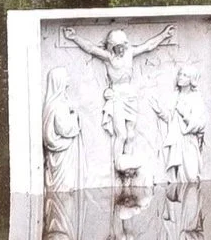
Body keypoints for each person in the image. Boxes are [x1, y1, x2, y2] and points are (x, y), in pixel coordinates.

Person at [61, 24, 175, 182]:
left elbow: (148, 46)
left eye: (123, 46)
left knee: (131, 134)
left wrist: (164, 35)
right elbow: (91, 48)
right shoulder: (109, 58)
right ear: (112, 47)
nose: (121, 50)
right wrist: (74, 37)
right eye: (118, 47)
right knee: (121, 133)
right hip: (117, 96)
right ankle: (118, 163)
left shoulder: (129, 54)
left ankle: (128, 163)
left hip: (130, 96)